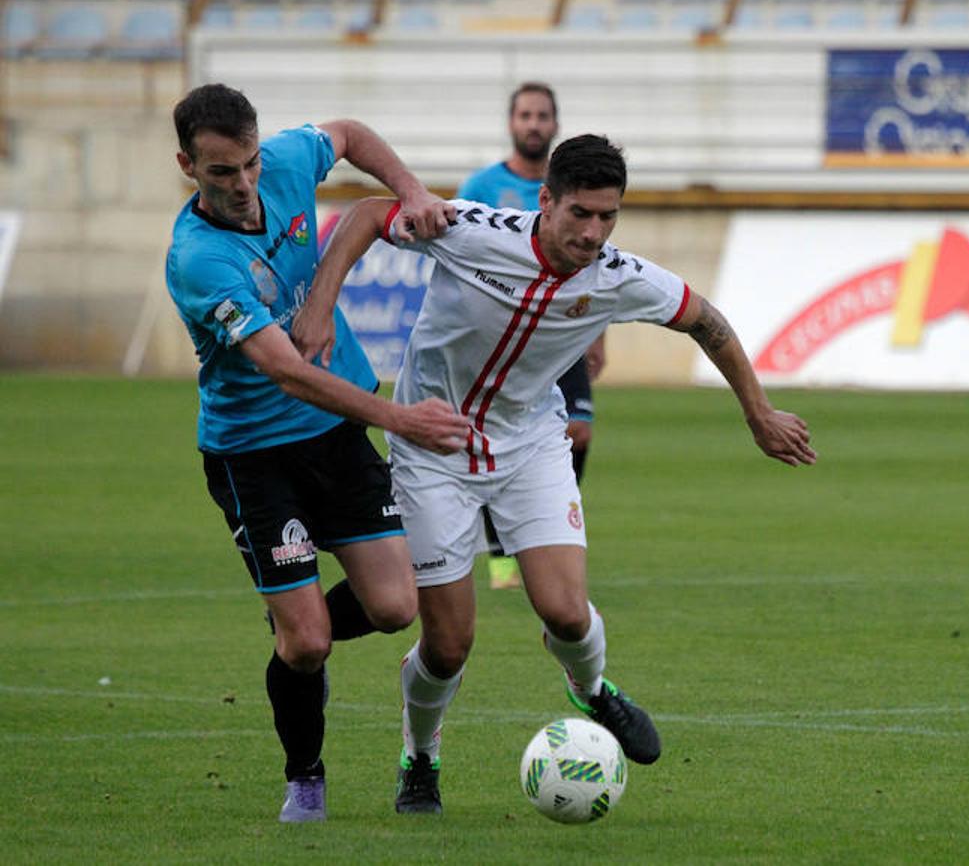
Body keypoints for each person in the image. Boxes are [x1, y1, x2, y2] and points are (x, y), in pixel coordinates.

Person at [296, 133, 816, 814]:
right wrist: (320, 305)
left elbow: (706, 322)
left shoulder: (619, 275)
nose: (593, 233)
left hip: (530, 446)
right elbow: (367, 214)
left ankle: (593, 690)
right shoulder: (475, 232)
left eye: (608, 217)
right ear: (546, 202)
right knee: (449, 645)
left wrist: (758, 413)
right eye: (580, 214)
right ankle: (420, 759)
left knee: (567, 612)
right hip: (432, 448)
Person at [164, 83, 471, 822]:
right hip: (253, 455)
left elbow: (352, 132)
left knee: (397, 608)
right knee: (306, 648)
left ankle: (297, 615)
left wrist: (411, 189)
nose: (241, 186)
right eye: (219, 174)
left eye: (245, 166)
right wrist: (400, 416)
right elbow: (288, 370)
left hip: (333, 439)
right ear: (185, 166)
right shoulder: (200, 260)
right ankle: (305, 774)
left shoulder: (287, 160)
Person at [458, 81, 605, 591]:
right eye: (525, 115)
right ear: (511, 123)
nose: (534, 124)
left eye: (543, 115)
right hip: (504, 341)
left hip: (561, 338)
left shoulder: (577, 192)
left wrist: (596, 332)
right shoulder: (480, 187)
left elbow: (595, 268)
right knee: (499, 439)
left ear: (556, 125)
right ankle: (502, 554)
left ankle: (540, 534)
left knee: (579, 431)